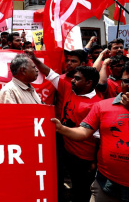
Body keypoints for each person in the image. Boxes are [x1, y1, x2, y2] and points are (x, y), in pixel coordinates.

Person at [51, 59, 129, 202]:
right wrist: (61, 128)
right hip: (106, 184)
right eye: (127, 81)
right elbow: (84, 132)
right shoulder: (103, 106)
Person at [30, 48, 102, 201]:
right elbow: (50, 73)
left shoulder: (96, 105)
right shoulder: (70, 87)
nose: (73, 81)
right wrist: (34, 58)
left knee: (82, 191)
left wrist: (94, 162)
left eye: (77, 79)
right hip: (66, 150)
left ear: (88, 83)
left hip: (84, 159)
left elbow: (98, 139)